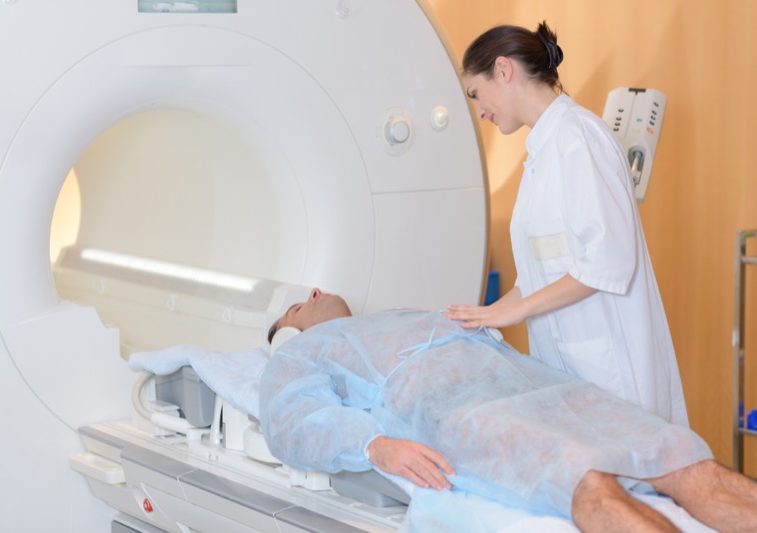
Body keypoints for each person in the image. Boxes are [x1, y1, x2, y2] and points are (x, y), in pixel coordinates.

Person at [261, 289, 757, 533]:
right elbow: (292, 421)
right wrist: (374, 444)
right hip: (460, 412)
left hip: (536, 383)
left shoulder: (399, 314)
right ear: (288, 330)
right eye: (297, 306)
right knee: (583, 477)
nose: (314, 294)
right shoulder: (300, 353)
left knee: (677, 453)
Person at [443, 22, 686, 426]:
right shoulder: (541, 154)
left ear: (503, 70)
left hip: (613, 373)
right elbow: (540, 275)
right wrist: (482, 316)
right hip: (571, 372)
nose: (480, 110)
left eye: (475, 94)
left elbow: (608, 262)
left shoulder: (579, 138)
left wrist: (515, 311)